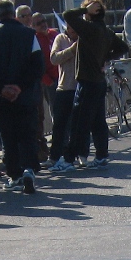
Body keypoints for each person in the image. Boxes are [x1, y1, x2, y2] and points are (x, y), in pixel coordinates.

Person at [0, 0, 44, 194]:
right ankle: (29, 169)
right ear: (13, 14)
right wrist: (19, 87)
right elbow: (37, 66)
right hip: (25, 96)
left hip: (0, 98)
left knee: (8, 136)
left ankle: (14, 174)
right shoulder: (29, 35)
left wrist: (1, 88)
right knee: (27, 133)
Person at [62, 0, 127, 171]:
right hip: (98, 82)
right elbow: (123, 47)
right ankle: (101, 155)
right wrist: (105, 59)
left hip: (87, 81)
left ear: (90, 14)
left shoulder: (89, 29)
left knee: (79, 122)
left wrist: (85, 10)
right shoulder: (105, 31)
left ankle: (68, 160)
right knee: (98, 121)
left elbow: (67, 15)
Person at [49, 24, 79, 171]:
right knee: (59, 125)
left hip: (80, 87)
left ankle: (71, 157)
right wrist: (71, 50)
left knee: (76, 125)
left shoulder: (84, 39)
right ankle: (54, 157)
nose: (72, 31)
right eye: (70, 27)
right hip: (63, 87)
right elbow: (54, 59)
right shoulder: (60, 38)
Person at [33, 12, 62, 157]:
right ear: (33, 26)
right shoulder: (35, 39)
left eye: (44, 20)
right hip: (49, 80)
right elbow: (37, 63)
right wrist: (47, 80)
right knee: (55, 112)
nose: (43, 24)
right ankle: (58, 144)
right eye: (38, 23)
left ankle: (65, 140)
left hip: (62, 78)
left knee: (65, 111)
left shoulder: (54, 34)